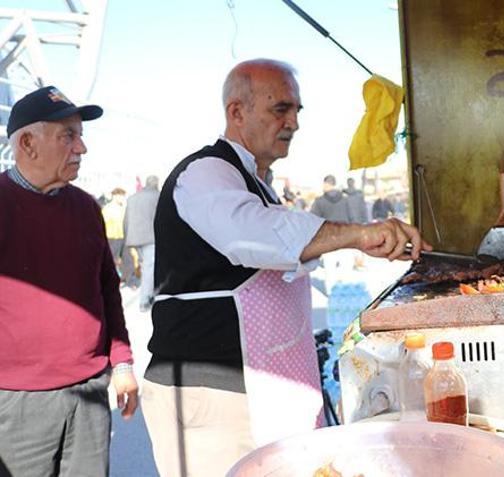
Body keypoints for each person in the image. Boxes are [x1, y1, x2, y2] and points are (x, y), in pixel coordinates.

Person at [142, 58, 431, 476]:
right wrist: (358, 234)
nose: (293, 122)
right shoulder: (205, 172)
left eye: (296, 110)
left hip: (253, 389)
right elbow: (252, 235)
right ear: (236, 112)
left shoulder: (255, 182)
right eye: (281, 109)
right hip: (213, 393)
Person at [0, 86, 138, 477]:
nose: (82, 148)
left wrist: (122, 363)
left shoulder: (87, 207)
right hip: (17, 401)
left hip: (90, 392)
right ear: (27, 143)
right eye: (68, 136)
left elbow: (107, 289)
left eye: (80, 135)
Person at [124, 175, 160, 311]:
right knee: (149, 269)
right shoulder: (157, 196)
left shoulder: (132, 198)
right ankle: (145, 300)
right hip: (150, 237)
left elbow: (126, 220)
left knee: (145, 267)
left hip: (134, 238)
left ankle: (148, 295)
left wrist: (127, 238)